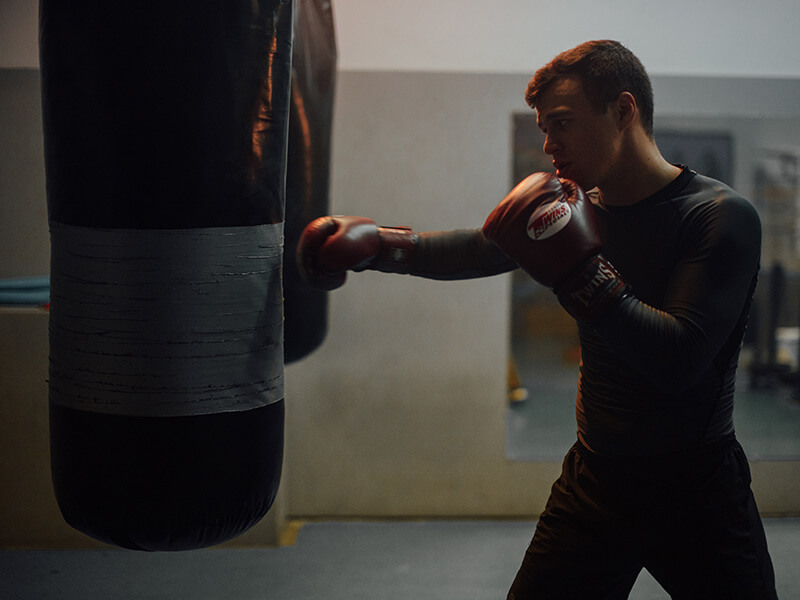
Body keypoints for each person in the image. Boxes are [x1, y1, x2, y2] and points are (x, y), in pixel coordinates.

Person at [296, 40, 777, 599]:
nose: (549, 144)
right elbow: (480, 248)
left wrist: (580, 274)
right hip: (595, 485)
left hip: (700, 493)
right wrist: (382, 246)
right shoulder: (577, 209)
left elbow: (677, 360)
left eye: (563, 124)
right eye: (544, 127)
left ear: (624, 111)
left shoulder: (718, 216)